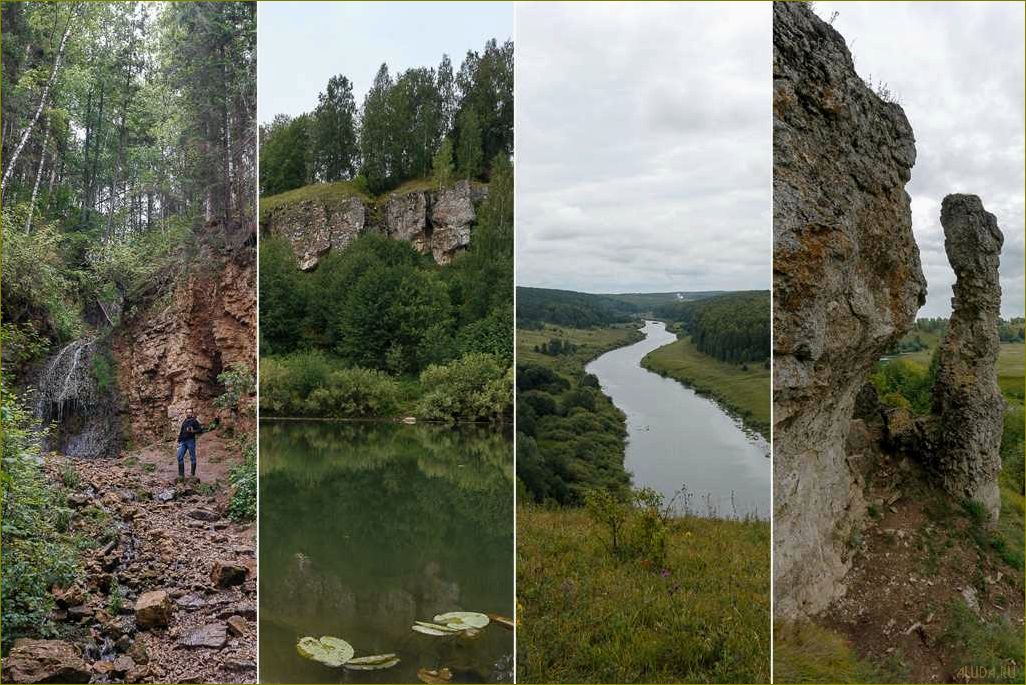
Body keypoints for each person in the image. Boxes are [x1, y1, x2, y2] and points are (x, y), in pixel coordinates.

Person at [176, 409, 204, 480]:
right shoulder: (185, 421)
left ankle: (192, 475)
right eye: (187, 412)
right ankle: (181, 475)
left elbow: (200, 430)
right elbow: (181, 431)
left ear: (192, 413)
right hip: (183, 441)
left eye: (190, 412)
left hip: (190, 441)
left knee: (192, 457)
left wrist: (193, 431)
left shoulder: (194, 421)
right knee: (179, 456)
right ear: (186, 413)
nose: (189, 413)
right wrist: (178, 441)